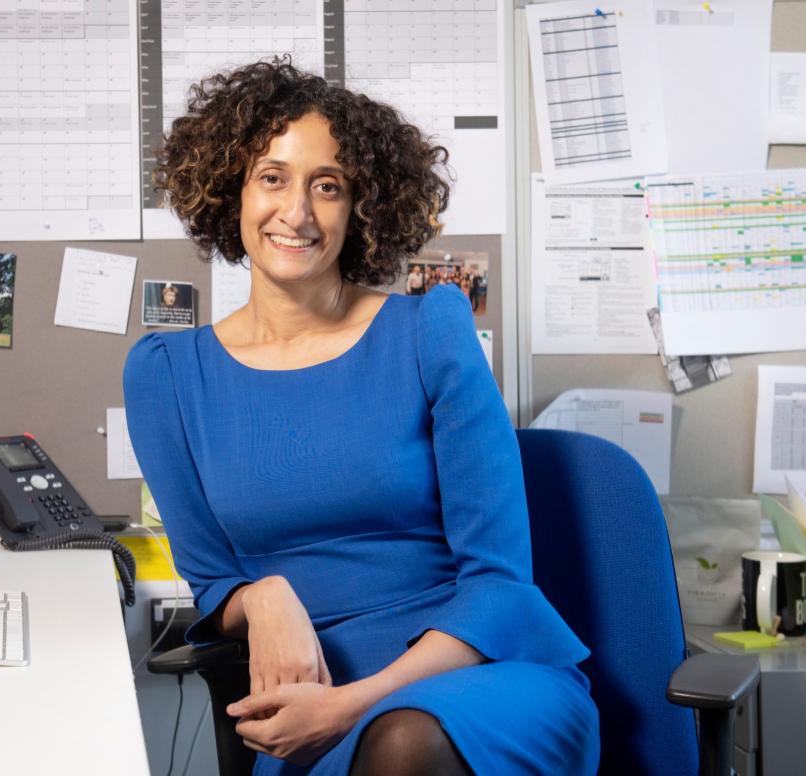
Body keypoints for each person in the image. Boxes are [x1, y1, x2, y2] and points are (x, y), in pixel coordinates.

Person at [124, 59, 598, 776]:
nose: (298, 213)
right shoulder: (166, 375)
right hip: (308, 694)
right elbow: (213, 583)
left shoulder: (429, 331)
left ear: (360, 208)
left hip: (474, 674)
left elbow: (500, 582)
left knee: (403, 742)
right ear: (230, 191)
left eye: (328, 186)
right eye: (272, 177)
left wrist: (356, 704)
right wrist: (265, 596)